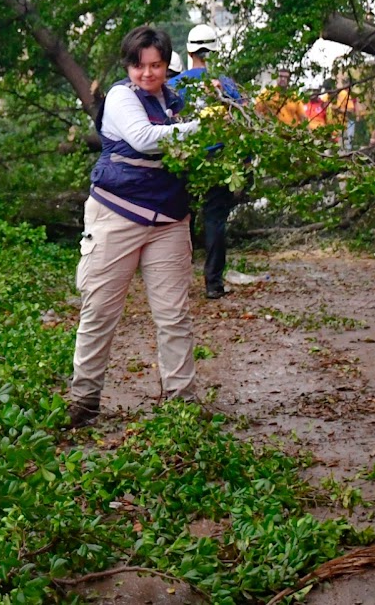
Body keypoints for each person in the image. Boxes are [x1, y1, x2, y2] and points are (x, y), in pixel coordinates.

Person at [68, 25, 201, 428]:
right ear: (129, 66)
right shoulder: (122, 99)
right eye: (140, 66)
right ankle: (84, 399)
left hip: (168, 220)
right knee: (100, 310)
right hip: (116, 216)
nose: (148, 74)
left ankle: (182, 402)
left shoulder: (177, 102)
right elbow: (144, 139)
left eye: (157, 65)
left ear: (166, 66)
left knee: (174, 315)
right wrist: (206, 127)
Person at [168, 25, 245, 300]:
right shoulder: (226, 83)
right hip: (219, 158)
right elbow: (242, 120)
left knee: (181, 220)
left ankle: (179, 282)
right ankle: (213, 283)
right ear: (214, 51)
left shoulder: (175, 85)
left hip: (185, 159)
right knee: (215, 220)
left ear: (188, 50)